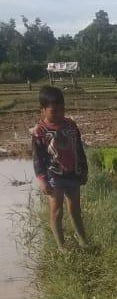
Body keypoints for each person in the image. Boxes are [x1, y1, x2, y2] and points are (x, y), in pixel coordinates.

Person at [31, 85, 89, 249]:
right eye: (54, 111)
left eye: (62, 110)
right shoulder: (39, 131)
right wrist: (42, 180)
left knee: (75, 210)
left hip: (73, 174)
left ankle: (83, 241)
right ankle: (61, 247)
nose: (59, 114)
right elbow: (37, 159)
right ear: (42, 110)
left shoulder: (70, 125)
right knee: (57, 212)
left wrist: (83, 170)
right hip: (54, 176)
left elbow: (78, 148)